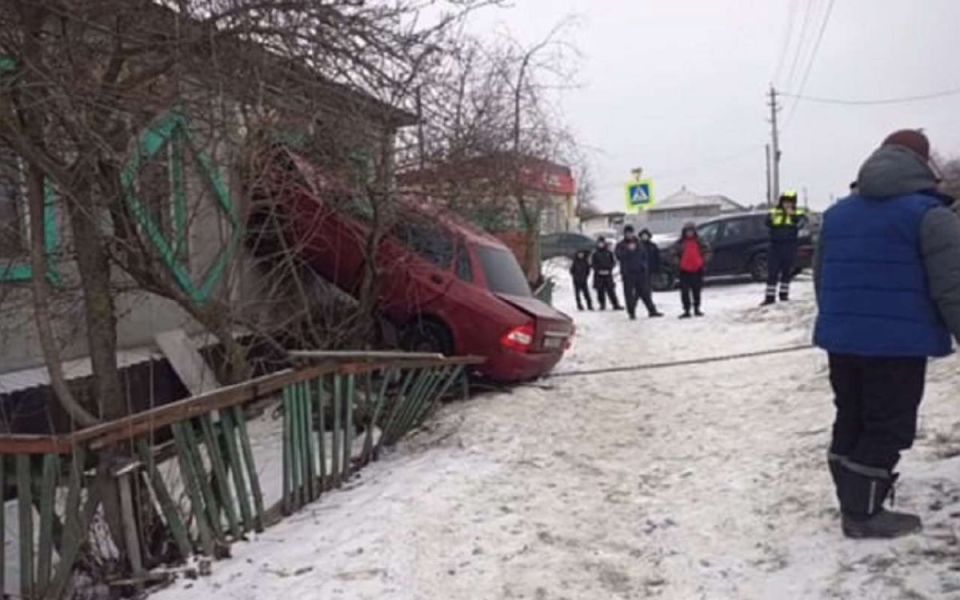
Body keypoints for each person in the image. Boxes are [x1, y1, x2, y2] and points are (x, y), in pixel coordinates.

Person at [814, 129, 960, 539]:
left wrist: (840, 321)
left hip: (843, 341)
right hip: (898, 345)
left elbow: (822, 279)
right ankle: (862, 515)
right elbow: (952, 288)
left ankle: (852, 498)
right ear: (922, 163)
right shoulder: (931, 216)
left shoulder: (838, 214)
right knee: (888, 427)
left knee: (852, 416)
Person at [761, 190, 808, 305]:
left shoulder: (798, 213)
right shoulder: (774, 212)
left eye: (790, 202)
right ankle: (769, 297)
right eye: (785, 202)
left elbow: (801, 224)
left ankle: (784, 295)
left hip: (790, 245)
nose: (787, 204)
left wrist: (792, 216)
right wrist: (771, 219)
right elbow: (767, 223)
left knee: (787, 271)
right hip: (775, 245)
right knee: (772, 272)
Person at [615, 225, 662, 320]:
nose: (629, 235)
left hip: (640, 272)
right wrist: (628, 250)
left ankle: (652, 310)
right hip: (628, 273)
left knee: (645, 293)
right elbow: (618, 256)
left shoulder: (639, 243)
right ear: (625, 234)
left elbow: (644, 256)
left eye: (630, 233)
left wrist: (644, 267)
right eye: (627, 233)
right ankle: (631, 312)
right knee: (629, 294)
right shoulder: (621, 245)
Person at [676, 223, 709, 318]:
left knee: (697, 291)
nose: (689, 233)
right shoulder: (680, 243)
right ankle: (686, 310)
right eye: (687, 231)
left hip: (697, 270)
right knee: (685, 292)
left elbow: (707, 251)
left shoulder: (700, 242)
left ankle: (697, 309)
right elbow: (673, 253)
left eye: (691, 231)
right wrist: (678, 263)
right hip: (684, 271)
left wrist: (703, 261)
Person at [590, 237, 622, 310]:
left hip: (608, 274)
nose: (601, 245)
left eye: (602, 243)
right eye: (599, 243)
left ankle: (615, 304)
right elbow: (592, 263)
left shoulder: (609, 253)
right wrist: (598, 270)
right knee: (600, 291)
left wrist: (609, 269)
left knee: (611, 290)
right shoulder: (595, 253)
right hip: (598, 275)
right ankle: (602, 305)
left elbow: (613, 262)